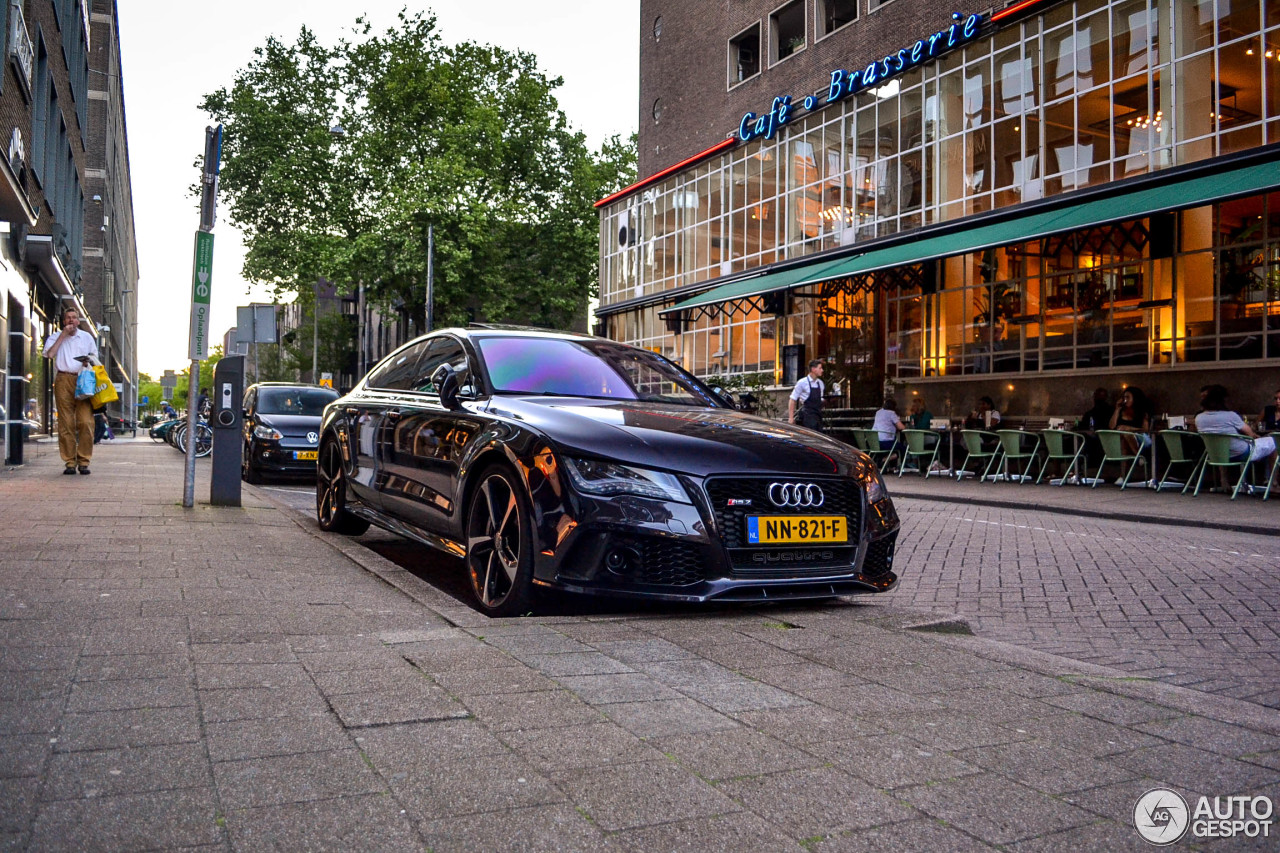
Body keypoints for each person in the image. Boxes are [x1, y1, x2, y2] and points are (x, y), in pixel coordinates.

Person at [42, 306, 98, 475]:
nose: (71, 320)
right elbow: (50, 355)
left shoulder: (86, 337)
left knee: (86, 422)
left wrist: (88, 362)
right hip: (63, 379)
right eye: (68, 318)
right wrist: (63, 335)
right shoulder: (55, 337)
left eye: (74, 317)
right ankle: (69, 462)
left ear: (79, 320)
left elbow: (96, 358)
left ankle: (84, 460)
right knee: (66, 422)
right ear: (64, 321)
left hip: (83, 379)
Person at [1195, 384, 1277, 476]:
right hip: (1240, 454)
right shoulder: (1231, 415)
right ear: (1222, 401)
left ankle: (1224, 481)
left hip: (1216, 455)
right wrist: (1257, 437)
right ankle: (1273, 482)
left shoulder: (1199, 418)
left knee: (1222, 446)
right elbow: (1250, 433)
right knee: (1273, 442)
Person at [1109, 386, 1152, 455]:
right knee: (1124, 438)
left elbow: (1145, 430)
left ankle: (1139, 456)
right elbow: (1111, 427)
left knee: (1126, 433)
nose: (1125, 400)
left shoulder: (1142, 412)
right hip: (1122, 441)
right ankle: (1137, 458)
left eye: (1128, 397)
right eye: (1124, 397)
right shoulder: (1120, 412)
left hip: (1141, 438)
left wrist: (1129, 429)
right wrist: (1117, 409)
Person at [1077, 387, 1112, 468]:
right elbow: (1082, 426)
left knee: (1085, 443)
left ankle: (1078, 468)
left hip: (1107, 439)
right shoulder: (1089, 413)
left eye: (1102, 396)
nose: (1099, 398)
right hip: (1090, 438)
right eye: (1097, 396)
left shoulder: (1111, 412)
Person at [787, 359, 825, 431]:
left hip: (818, 415)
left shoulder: (820, 383)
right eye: (820, 368)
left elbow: (821, 400)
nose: (822, 370)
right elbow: (793, 399)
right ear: (813, 369)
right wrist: (791, 418)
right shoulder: (802, 382)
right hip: (807, 416)